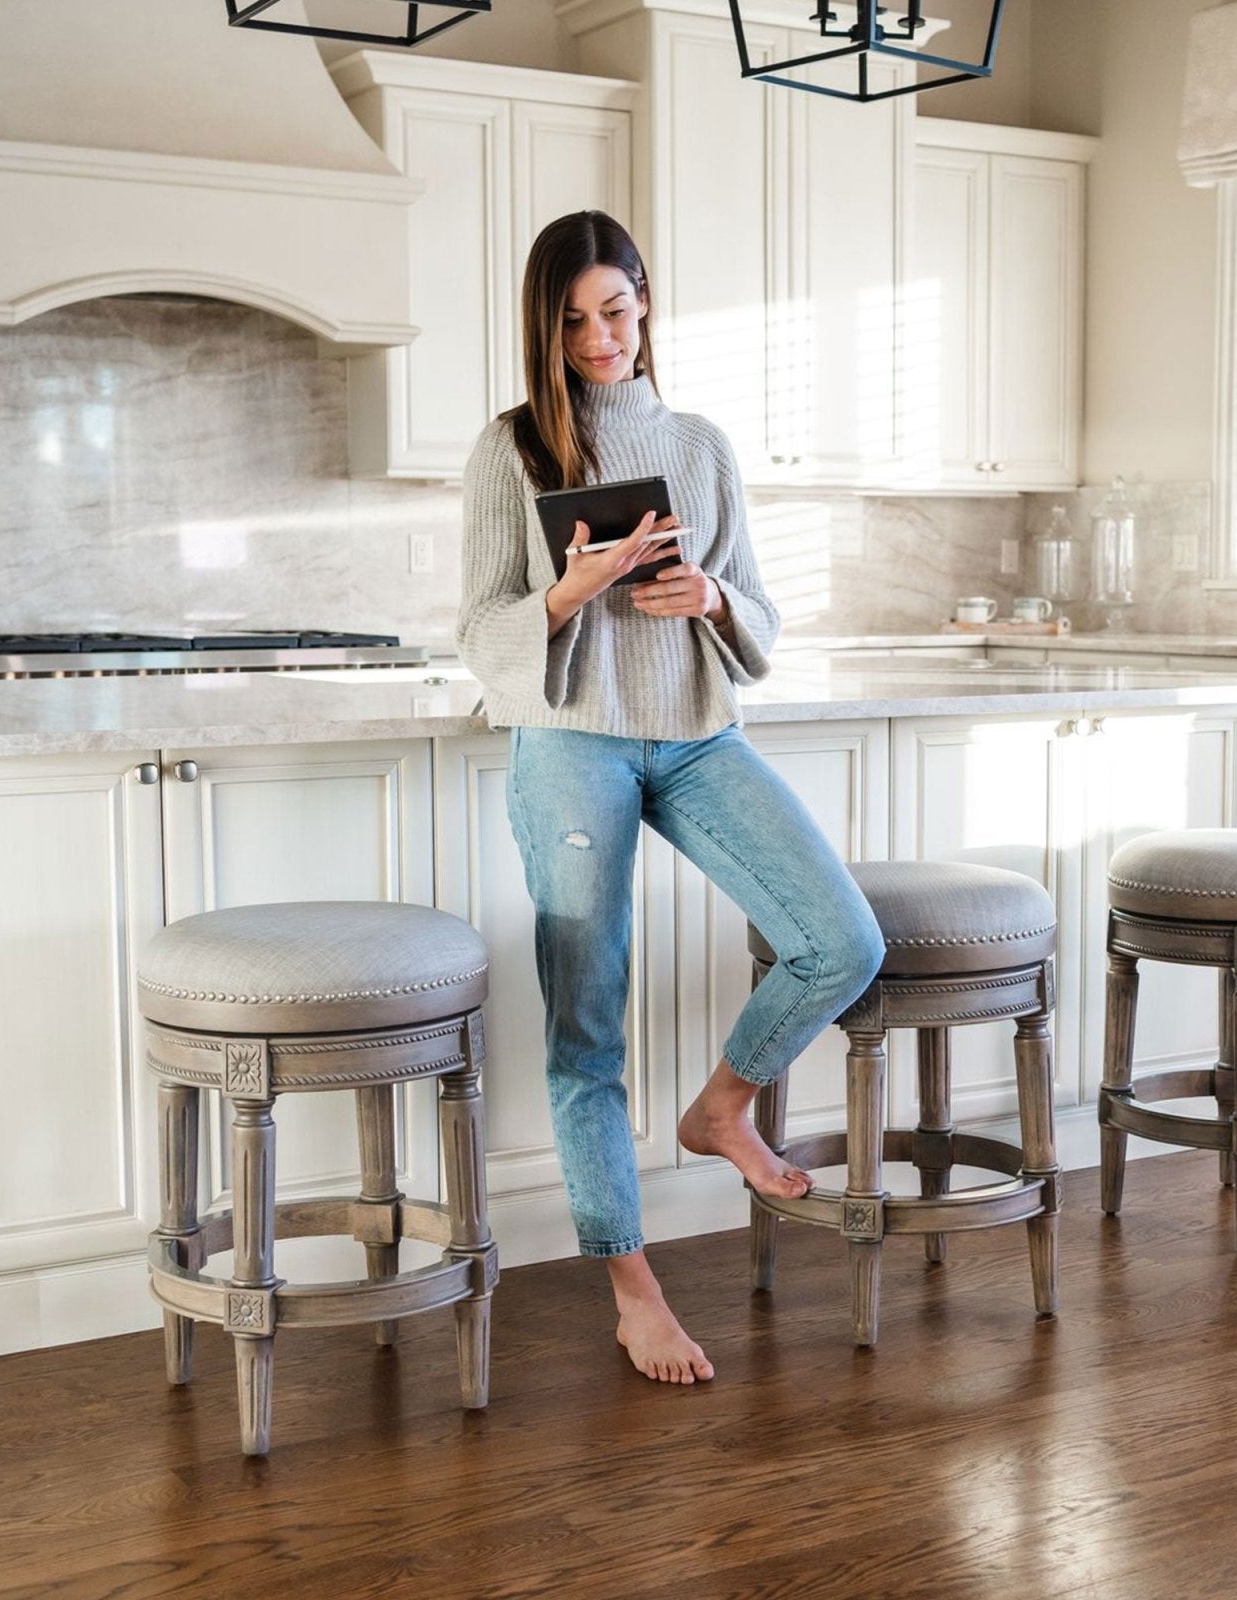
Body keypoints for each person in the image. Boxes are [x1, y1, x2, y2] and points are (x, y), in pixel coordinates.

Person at [456, 211, 885, 1386]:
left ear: (647, 303)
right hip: (568, 740)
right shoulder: (511, 450)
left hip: (696, 737)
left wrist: (709, 598)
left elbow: (758, 611)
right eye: (574, 319)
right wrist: (567, 592)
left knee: (840, 938)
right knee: (587, 1022)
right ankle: (632, 1287)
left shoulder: (699, 442)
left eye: (618, 309)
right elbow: (478, 629)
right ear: (544, 328)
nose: (601, 337)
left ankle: (721, 1108)